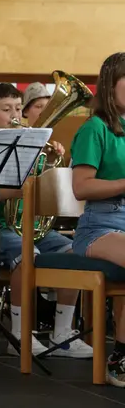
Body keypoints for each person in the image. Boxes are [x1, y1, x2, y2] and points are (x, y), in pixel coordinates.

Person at [0, 83, 93, 358]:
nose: (14, 115)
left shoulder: (34, 148)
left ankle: (62, 335)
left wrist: (53, 162)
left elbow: (47, 193)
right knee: (26, 254)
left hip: (30, 228)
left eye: (18, 108)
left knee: (74, 252)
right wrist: (5, 193)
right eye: (6, 109)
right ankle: (19, 334)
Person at [71, 52, 125, 387]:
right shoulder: (94, 129)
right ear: (110, 85)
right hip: (99, 227)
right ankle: (120, 358)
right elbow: (81, 187)